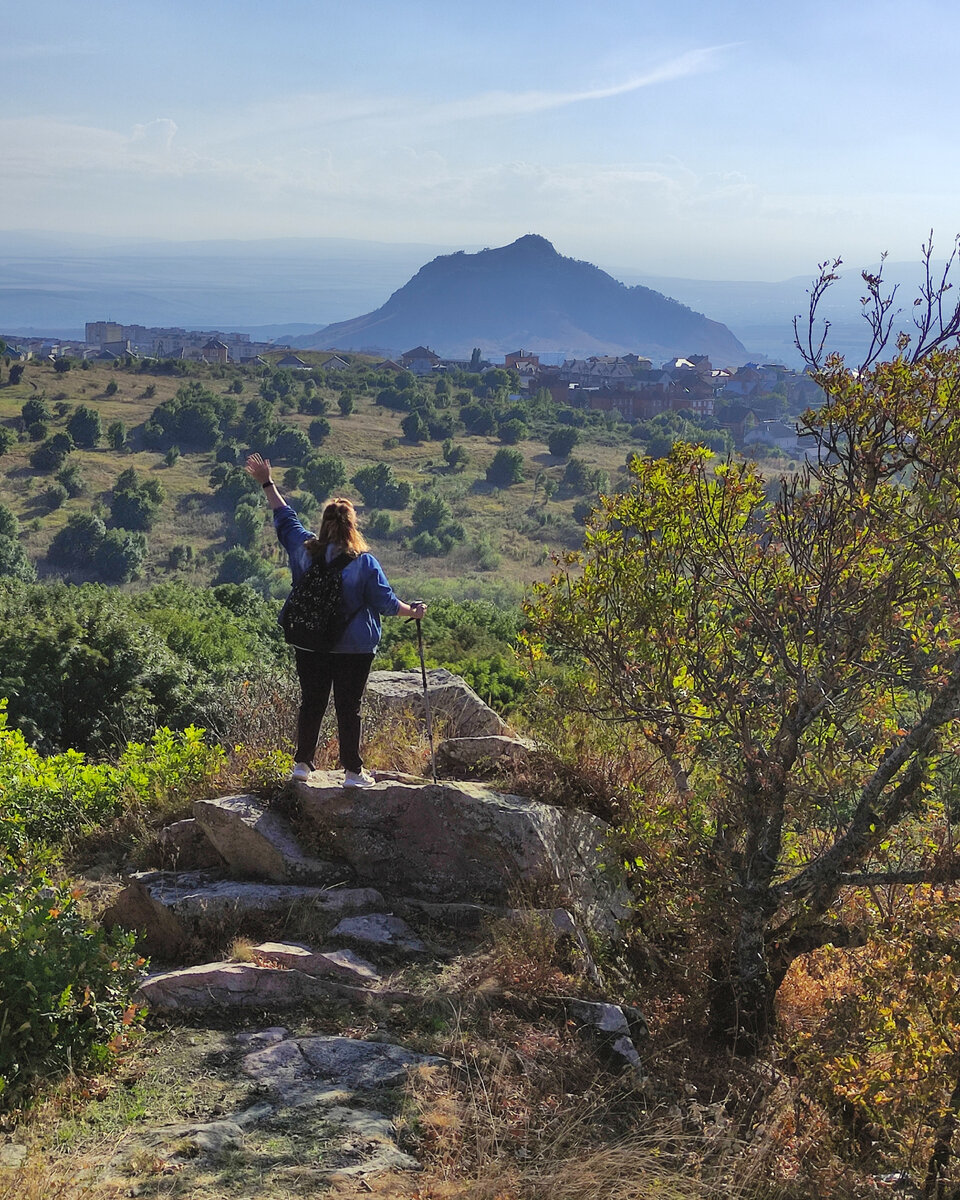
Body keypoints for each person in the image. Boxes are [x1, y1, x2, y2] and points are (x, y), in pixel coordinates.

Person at [244, 452, 426, 786]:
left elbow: (285, 517)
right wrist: (412, 612)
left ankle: (302, 764)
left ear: (325, 523)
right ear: (352, 525)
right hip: (354, 647)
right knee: (348, 706)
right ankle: (353, 772)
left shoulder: (305, 550)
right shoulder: (364, 563)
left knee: (312, 702)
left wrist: (267, 482)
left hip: (310, 641)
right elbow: (385, 603)